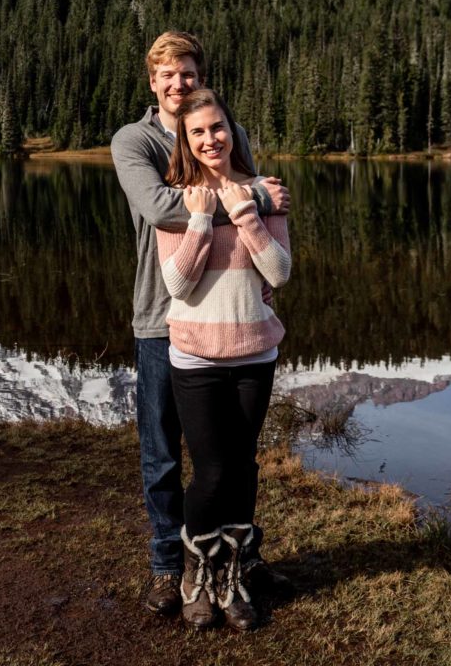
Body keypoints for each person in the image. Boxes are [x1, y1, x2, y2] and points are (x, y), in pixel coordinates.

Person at [111, 31, 289, 616]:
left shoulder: (226, 128)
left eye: (187, 72)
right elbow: (163, 207)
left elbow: (247, 196)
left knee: (235, 455)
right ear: (152, 81)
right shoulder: (134, 140)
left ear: (200, 76)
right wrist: (257, 198)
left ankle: (242, 556)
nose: (178, 83)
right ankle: (170, 565)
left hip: (233, 317)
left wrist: (251, 200)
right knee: (163, 451)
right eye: (167, 74)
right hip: (160, 313)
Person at [155, 88, 291, 631]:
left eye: (217, 127)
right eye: (198, 132)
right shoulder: (176, 199)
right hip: (195, 357)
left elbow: (278, 272)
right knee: (212, 472)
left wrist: (245, 212)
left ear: (232, 130)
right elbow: (177, 284)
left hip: (255, 353)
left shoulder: (264, 192)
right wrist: (199, 220)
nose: (210, 139)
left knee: (242, 467)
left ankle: (230, 576)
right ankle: (196, 572)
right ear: (185, 141)